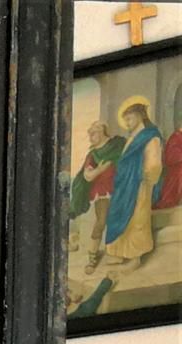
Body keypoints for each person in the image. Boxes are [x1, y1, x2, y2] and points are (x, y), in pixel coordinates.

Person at [99, 95, 166, 268]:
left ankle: (135, 256)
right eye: (125, 120)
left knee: (137, 219)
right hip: (125, 184)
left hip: (140, 184)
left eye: (129, 119)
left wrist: (146, 178)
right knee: (119, 214)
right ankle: (119, 252)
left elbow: (154, 162)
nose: (127, 123)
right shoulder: (133, 137)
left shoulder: (150, 136)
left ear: (140, 116)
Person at [71, 117, 125, 270]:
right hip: (103, 192)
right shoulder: (93, 154)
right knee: (101, 221)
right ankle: (92, 256)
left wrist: (102, 168)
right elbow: (88, 176)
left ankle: (118, 253)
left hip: (120, 188)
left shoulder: (117, 145)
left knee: (121, 218)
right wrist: (100, 169)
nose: (90, 137)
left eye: (93, 133)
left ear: (101, 132)